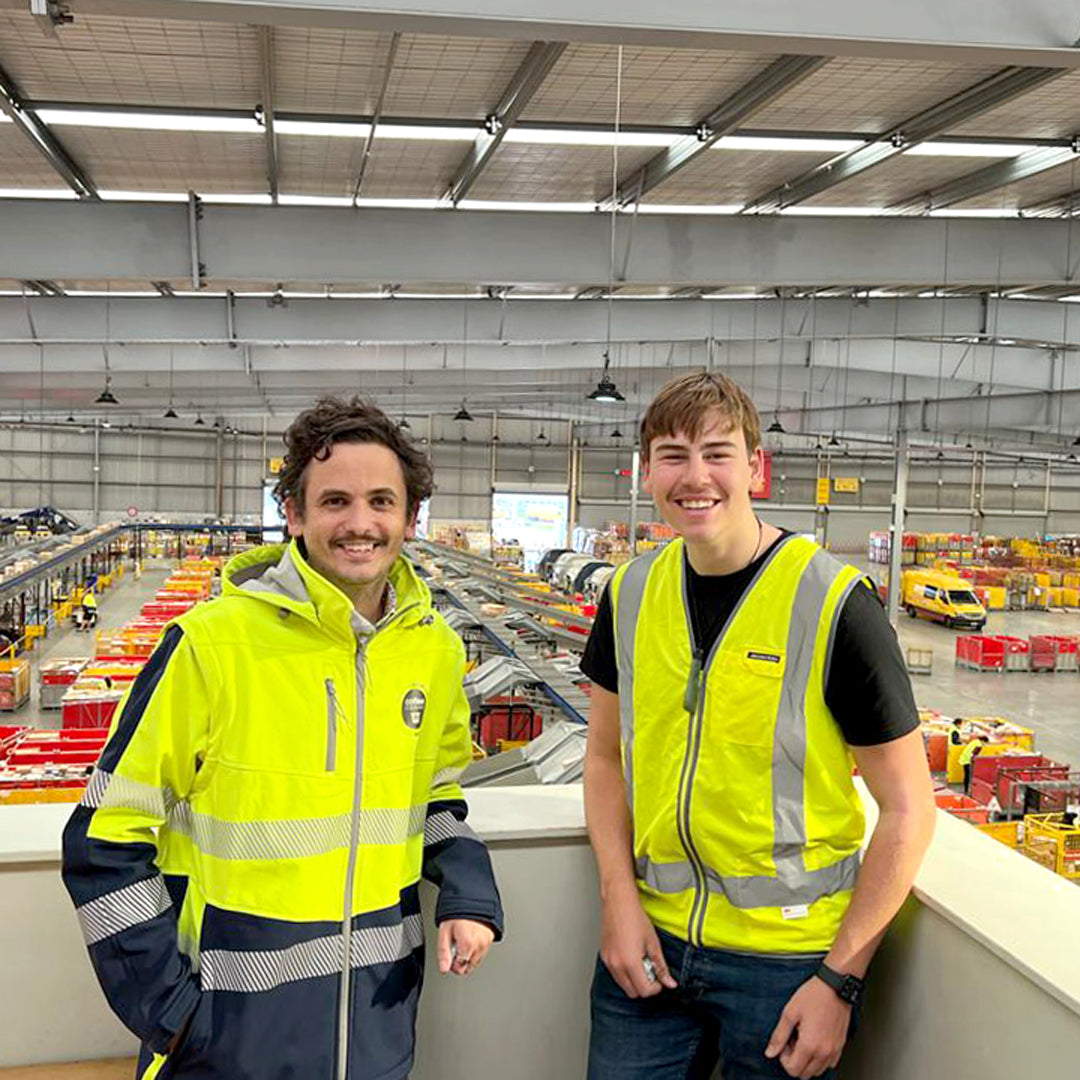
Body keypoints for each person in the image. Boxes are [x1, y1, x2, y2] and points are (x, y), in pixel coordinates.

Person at [62, 395, 504, 1080]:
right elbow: (103, 837)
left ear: (410, 519)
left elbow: (437, 796)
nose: (360, 523)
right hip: (231, 1043)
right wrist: (172, 1012)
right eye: (335, 502)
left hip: (376, 1031)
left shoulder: (435, 651)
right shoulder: (212, 645)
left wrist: (469, 894)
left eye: (382, 502)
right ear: (294, 514)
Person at [581, 372, 936, 1080]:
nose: (696, 476)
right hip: (650, 945)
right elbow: (603, 759)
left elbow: (909, 810)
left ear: (756, 467)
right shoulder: (628, 593)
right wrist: (618, 902)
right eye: (673, 455)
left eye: (717, 453)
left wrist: (839, 981)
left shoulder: (834, 603)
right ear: (646, 471)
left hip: (787, 968)